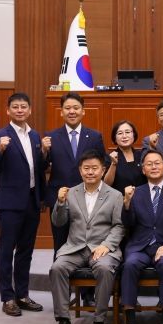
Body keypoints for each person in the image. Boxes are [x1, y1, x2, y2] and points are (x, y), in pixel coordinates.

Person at [49, 150, 124, 324]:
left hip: (101, 248)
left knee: (105, 268)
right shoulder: (71, 193)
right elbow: (58, 222)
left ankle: (99, 321)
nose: (90, 172)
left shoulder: (115, 195)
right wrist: (60, 202)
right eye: (86, 168)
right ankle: (63, 321)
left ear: (103, 170)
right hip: (75, 247)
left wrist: (107, 245)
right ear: (80, 170)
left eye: (94, 168)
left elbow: (119, 226)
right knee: (57, 268)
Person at [0, 92, 46, 317]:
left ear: (30, 110)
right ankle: (7, 298)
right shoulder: (1, 136)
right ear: (8, 111)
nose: (20, 110)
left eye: (23, 106)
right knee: (6, 251)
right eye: (15, 107)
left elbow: (39, 170)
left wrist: (41, 198)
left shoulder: (35, 136)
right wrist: (0, 151)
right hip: (10, 203)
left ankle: (22, 295)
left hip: (32, 201)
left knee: (26, 251)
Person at [119, 150, 163, 324]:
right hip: (140, 246)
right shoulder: (136, 192)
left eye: (157, 163)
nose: (154, 167)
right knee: (129, 265)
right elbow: (128, 224)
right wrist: (126, 203)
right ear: (143, 169)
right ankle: (130, 323)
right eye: (149, 164)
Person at [43, 92, 107, 255]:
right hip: (60, 198)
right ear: (61, 112)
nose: (72, 111)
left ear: (83, 111)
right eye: (67, 108)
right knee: (60, 245)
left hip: (89, 198)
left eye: (76, 108)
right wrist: (43, 151)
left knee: (88, 244)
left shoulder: (94, 136)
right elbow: (42, 166)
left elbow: (103, 164)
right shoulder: (51, 137)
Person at [104, 120, 146, 192]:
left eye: (127, 132)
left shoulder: (142, 155)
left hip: (141, 196)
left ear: (134, 135)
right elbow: (106, 184)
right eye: (120, 133)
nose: (124, 136)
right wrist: (113, 164)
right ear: (115, 138)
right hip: (119, 197)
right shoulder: (109, 157)